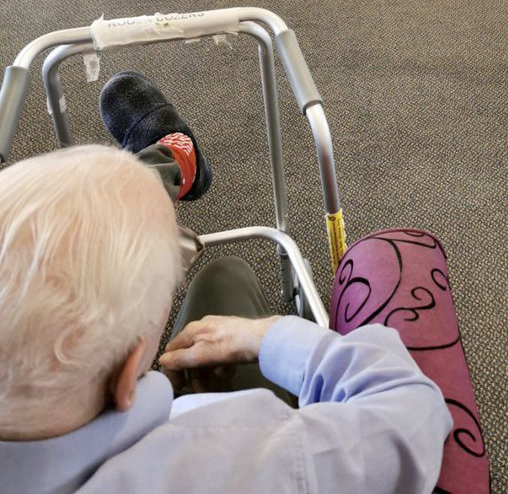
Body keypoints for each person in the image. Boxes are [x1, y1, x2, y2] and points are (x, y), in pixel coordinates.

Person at [0, 73, 451, 493]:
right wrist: (270, 335)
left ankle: (168, 165)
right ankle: (173, 162)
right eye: (177, 245)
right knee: (226, 271)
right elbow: (412, 415)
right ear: (126, 376)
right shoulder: (248, 454)